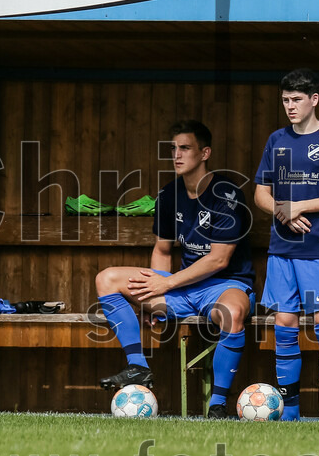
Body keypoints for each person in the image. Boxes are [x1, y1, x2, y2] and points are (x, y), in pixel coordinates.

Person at [96, 120, 254, 419]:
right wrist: (152, 295)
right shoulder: (169, 195)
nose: (177, 155)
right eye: (173, 149)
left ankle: (217, 404)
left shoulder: (227, 194)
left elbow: (218, 260)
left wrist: (164, 286)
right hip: (181, 286)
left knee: (232, 314)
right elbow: (162, 250)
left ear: (204, 153)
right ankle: (138, 367)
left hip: (224, 284)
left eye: (185, 148)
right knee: (107, 278)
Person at [254, 69, 319, 421]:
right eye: (285, 100)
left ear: (314, 99)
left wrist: (303, 206)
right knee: (284, 325)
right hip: (282, 250)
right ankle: (291, 412)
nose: (290, 106)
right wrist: (283, 211)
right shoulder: (277, 140)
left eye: (297, 99)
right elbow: (260, 194)